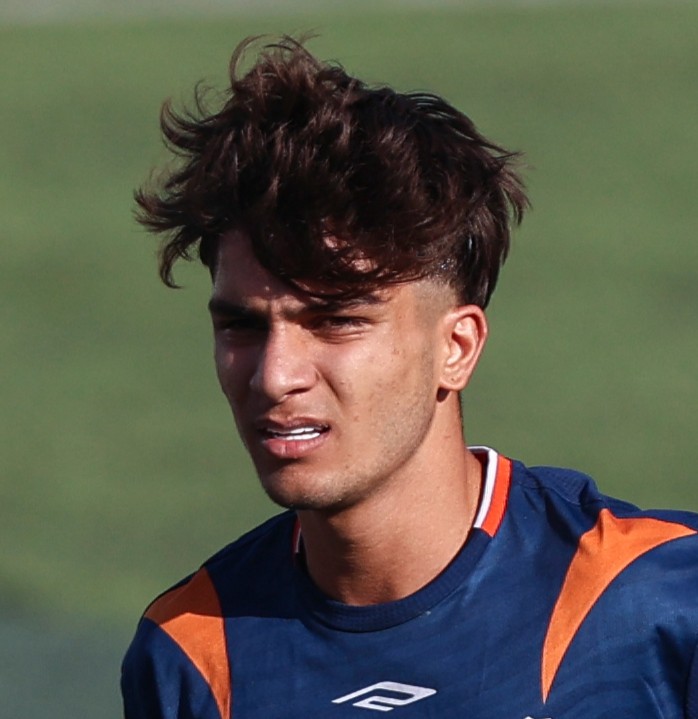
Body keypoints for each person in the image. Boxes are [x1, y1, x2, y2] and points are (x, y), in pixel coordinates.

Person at [121, 36, 698, 719]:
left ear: (456, 346)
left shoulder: (657, 601)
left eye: (337, 321)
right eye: (242, 327)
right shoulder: (191, 652)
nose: (275, 376)